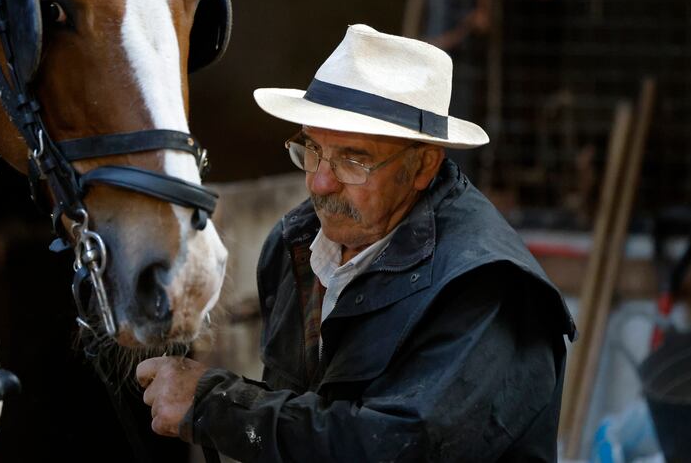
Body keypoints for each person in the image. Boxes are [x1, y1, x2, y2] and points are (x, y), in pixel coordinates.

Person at [137, 24, 577, 462]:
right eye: (312, 149)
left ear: (423, 165)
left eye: (353, 158)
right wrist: (219, 403)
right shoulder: (297, 244)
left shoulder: (486, 286)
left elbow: (396, 448)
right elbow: (308, 413)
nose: (320, 182)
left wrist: (219, 408)